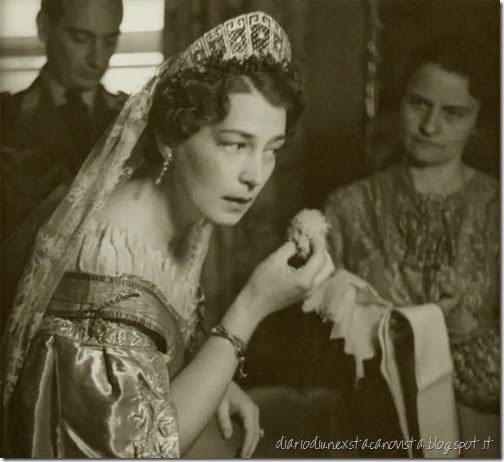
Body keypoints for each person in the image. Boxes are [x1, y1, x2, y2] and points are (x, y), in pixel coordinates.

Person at [0, 11, 331, 458]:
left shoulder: (180, 209)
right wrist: (251, 307)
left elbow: (155, 356)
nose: (255, 176)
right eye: (234, 144)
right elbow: (140, 450)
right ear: (170, 137)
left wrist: (218, 378)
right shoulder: (104, 272)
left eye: (271, 150)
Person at [323, 37, 499, 457]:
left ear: (479, 121)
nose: (430, 126)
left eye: (454, 114)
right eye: (418, 104)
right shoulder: (346, 209)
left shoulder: (497, 211)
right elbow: (320, 357)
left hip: (476, 433)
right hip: (368, 434)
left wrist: (461, 326)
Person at [0, 0, 126, 242]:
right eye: (81, 38)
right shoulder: (6, 118)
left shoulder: (135, 120)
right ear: (44, 27)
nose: (98, 60)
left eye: (110, 41)